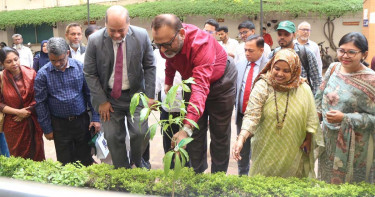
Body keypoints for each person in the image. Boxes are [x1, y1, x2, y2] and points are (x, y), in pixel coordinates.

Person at [151, 14, 237, 173]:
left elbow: (200, 87)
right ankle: (197, 176)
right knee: (194, 135)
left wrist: (186, 128)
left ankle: (217, 180)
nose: (162, 50)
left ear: (182, 34)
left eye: (166, 44)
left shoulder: (201, 43)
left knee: (219, 134)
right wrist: (169, 81)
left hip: (221, 82)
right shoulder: (168, 40)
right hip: (192, 80)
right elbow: (169, 58)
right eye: (158, 45)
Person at [232, 48, 323, 178]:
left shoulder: (303, 88)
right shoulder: (263, 85)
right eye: (277, 68)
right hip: (265, 146)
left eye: (286, 71)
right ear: (271, 66)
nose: (280, 74)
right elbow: (252, 114)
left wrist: (309, 139)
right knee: (262, 182)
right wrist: (241, 138)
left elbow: (311, 118)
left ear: (295, 70)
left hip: (293, 146)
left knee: (291, 184)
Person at [84, 5, 155, 169]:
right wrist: (102, 101)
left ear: (129, 24)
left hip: (136, 96)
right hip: (109, 97)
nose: (116, 35)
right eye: (112, 30)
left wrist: (150, 96)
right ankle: (122, 169)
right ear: (106, 24)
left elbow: (150, 66)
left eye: (121, 30)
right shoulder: (95, 41)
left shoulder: (141, 36)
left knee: (140, 133)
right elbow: (89, 72)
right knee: (113, 137)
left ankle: (137, 161)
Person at [315, 32, 375, 184]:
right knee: (326, 183)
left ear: (364, 54)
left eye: (351, 52)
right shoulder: (334, 69)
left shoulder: (371, 80)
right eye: (341, 50)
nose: (345, 56)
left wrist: (346, 118)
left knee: (350, 186)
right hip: (328, 139)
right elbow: (319, 98)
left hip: (355, 146)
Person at [34, 37, 100, 166]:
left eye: (61, 60)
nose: (57, 64)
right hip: (59, 125)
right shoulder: (42, 74)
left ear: (67, 53)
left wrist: (96, 118)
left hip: (81, 122)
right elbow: (41, 103)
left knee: (85, 158)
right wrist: (47, 128)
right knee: (65, 161)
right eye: (53, 60)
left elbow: (90, 94)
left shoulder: (80, 68)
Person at [0, 47, 45, 161]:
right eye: (9, 62)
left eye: (16, 59)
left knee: (37, 154)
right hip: (13, 123)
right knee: (18, 156)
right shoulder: (1, 78)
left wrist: (28, 111)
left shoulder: (31, 73)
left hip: (33, 120)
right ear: (2, 63)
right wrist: (18, 112)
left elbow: (40, 96)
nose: (14, 63)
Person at [235, 35, 269, 175]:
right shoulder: (240, 64)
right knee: (242, 148)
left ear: (261, 50)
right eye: (245, 50)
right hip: (242, 115)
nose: (247, 53)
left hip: (261, 118)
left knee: (259, 149)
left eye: (251, 50)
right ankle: (242, 176)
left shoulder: (269, 66)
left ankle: (257, 177)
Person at [269, 21, 321, 95]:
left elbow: (316, 79)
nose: (282, 37)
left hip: (301, 98)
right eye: (279, 34)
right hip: (279, 98)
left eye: (286, 34)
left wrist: (313, 99)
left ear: (294, 35)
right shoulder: (274, 54)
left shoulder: (305, 53)